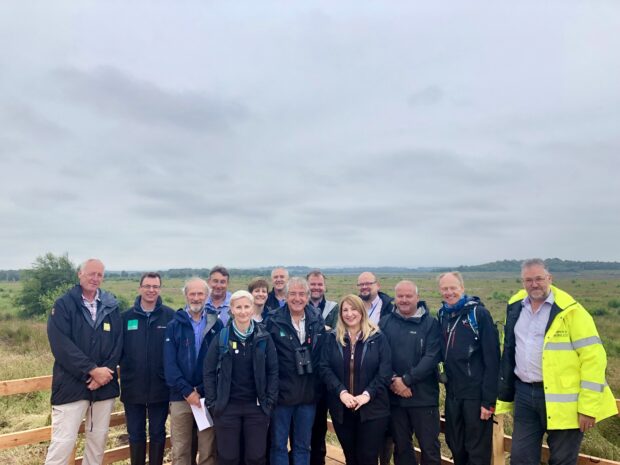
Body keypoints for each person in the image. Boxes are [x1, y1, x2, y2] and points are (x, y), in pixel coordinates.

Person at [496, 259, 618, 465]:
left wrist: (588, 408)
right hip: (525, 394)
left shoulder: (572, 311)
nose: (534, 284)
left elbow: (594, 360)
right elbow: (509, 348)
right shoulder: (516, 305)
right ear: (522, 282)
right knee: (520, 458)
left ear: (549, 279)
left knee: (562, 460)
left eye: (539, 279)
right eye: (528, 280)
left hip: (565, 400)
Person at [44, 258, 122, 465]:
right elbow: (61, 345)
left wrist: (103, 374)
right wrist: (91, 370)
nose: (95, 278)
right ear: (80, 274)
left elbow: (118, 343)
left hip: (103, 387)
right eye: (91, 274)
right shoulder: (64, 305)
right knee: (63, 442)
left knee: (97, 442)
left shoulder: (111, 305)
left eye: (99, 275)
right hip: (71, 385)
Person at [204, 290, 279, 465]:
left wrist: (269, 402)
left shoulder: (264, 338)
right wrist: (213, 403)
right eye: (239, 307)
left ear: (252, 309)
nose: (243, 311)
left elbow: (273, 371)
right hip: (227, 407)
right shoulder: (222, 337)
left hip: (257, 407)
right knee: (228, 457)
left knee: (256, 457)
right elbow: (208, 371)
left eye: (247, 306)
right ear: (231, 309)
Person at [320, 294, 392, 465]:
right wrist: (342, 392)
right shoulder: (332, 338)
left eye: (353, 309)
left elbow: (385, 371)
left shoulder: (377, 337)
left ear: (362, 312)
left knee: (367, 457)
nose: (349, 313)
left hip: (373, 409)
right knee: (350, 457)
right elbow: (324, 368)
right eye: (345, 310)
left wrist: (367, 394)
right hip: (342, 409)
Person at [437, 271, 500, 465]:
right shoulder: (443, 314)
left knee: (477, 449)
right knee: (455, 443)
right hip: (453, 392)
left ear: (462, 288)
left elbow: (493, 359)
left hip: (476, 394)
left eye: (453, 288)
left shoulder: (478, 314)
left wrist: (488, 401)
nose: (449, 292)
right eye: (445, 289)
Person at [379, 281, 442, 465]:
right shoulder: (385, 322)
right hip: (395, 398)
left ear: (417, 297)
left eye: (409, 296)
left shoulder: (431, 324)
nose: (404, 300)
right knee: (402, 447)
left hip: (423, 398)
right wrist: (393, 381)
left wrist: (406, 380)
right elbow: (380, 356)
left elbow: (432, 357)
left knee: (429, 448)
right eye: (400, 296)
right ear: (395, 298)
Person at [266, 277, 325, 465]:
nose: (297, 298)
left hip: (308, 395)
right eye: (293, 294)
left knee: (303, 445)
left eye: (301, 294)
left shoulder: (317, 319)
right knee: (278, 445)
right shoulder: (273, 320)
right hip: (282, 395)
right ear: (285, 296)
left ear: (308, 297)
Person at [164, 278, 223, 465]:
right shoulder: (174, 325)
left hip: (207, 398)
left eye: (200, 294)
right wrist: (188, 391)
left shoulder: (217, 325)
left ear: (206, 296)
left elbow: (220, 363)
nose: (196, 298)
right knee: (180, 450)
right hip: (180, 397)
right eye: (192, 294)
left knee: (207, 450)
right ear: (186, 296)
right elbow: (169, 364)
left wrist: (202, 390)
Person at [120, 272, 175, 465]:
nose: (151, 290)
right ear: (140, 288)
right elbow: (117, 352)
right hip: (132, 387)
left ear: (160, 289)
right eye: (147, 286)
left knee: (158, 433)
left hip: (160, 387)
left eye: (155, 287)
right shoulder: (125, 318)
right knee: (135, 434)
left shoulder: (170, 316)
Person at [305, 270, 339, 465]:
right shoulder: (300, 305)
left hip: (324, 376)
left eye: (319, 284)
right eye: (313, 284)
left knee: (319, 426)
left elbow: (336, 335)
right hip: (303, 377)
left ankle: (318, 461)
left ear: (324, 286)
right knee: (300, 427)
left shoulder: (333, 308)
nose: (316, 288)